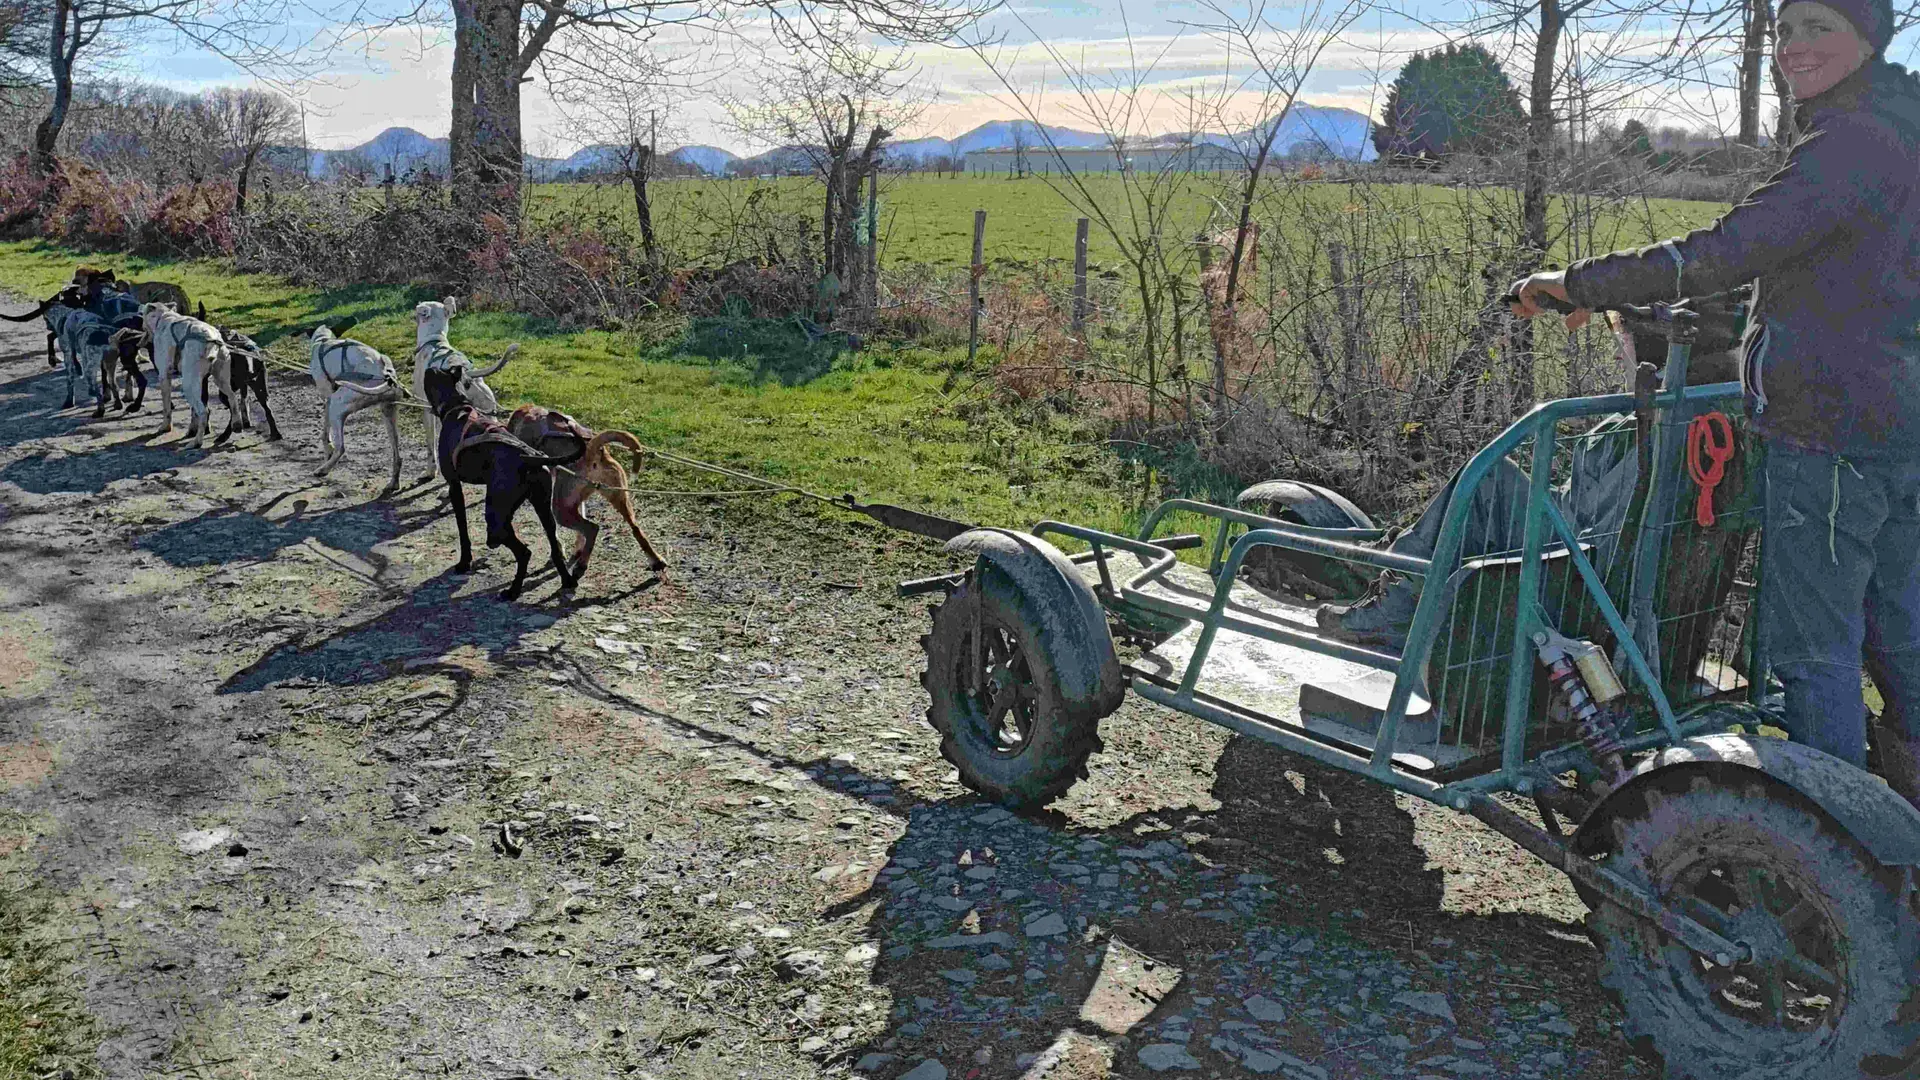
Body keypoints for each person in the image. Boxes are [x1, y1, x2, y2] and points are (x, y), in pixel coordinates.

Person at [1510, 0, 1920, 802]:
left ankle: (1829, 848)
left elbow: (1729, 250)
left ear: (1868, 39)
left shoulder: (1852, 143)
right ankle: (1898, 836)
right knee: (1901, 631)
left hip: (1829, 427)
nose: (1794, 47)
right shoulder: (1901, 131)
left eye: (1820, 29)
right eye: (1787, 29)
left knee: (1812, 648)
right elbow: (1843, 272)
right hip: (1899, 425)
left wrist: (1574, 284)